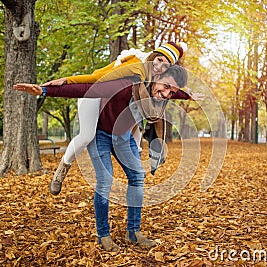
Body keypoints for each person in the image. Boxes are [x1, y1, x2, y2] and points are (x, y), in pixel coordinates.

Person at [14, 64, 189, 251]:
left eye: (172, 92)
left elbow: (177, 93)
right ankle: (103, 235)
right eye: (166, 87)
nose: (166, 94)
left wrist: (189, 95)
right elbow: (87, 88)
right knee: (105, 180)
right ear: (157, 76)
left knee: (138, 176)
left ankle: (133, 232)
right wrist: (45, 90)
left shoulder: (157, 95)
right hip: (101, 134)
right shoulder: (126, 85)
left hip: (123, 137)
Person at [42, 42, 187, 196]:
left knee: (135, 127)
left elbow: (171, 89)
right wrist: (66, 81)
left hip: (111, 100)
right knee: (87, 135)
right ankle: (63, 168)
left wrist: (189, 94)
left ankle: (136, 165)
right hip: (94, 91)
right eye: (159, 60)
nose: (159, 66)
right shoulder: (136, 65)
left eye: (165, 66)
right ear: (153, 55)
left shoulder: (152, 78)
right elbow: (97, 78)